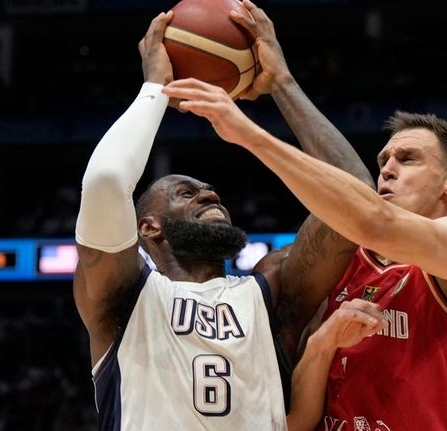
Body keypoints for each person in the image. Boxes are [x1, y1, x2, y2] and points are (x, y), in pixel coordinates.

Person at [161, 18, 447, 430]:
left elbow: (375, 222)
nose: (387, 170)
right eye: (383, 161)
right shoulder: (346, 264)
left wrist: (250, 132)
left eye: (408, 159)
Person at [73, 8, 374, 431]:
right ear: (148, 227)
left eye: (210, 191)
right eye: (186, 192)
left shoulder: (272, 291)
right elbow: (106, 181)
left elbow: (357, 203)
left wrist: (282, 85)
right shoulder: (124, 295)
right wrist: (155, 89)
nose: (210, 194)